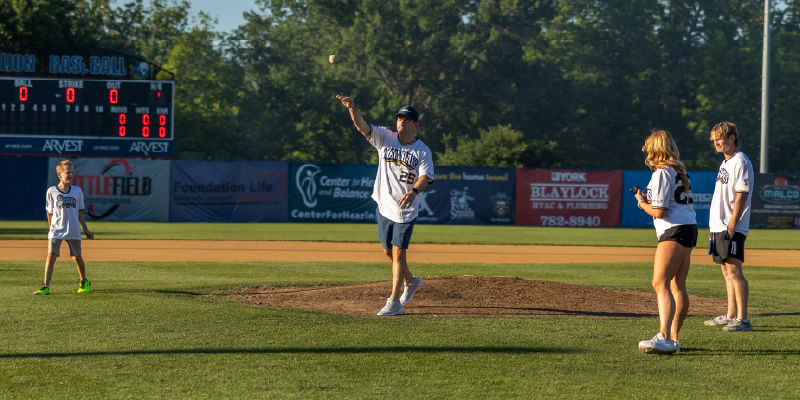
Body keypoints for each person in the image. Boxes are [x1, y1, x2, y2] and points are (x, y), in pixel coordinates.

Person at [336, 95, 434, 316]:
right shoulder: (385, 137)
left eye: (407, 119)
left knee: (399, 254)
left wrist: (414, 191)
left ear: (415, 125)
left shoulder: (422, 150)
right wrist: (352, 109)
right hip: (384, 205)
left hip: (406, 210)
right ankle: (412, 282)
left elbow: (425, 177)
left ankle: (394, 302)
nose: (402, 122)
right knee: (388, 251)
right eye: (399, 118)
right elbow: (362, 127)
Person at [633, 130, 697, 354]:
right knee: (677, 285)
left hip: (673, 230)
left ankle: (664, 336)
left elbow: (659, 211)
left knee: (660, 282)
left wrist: (641, 203)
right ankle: (673, 338)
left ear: (656, 149)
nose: (647, 151)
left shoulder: (661, 173)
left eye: (649, 147)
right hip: (689, 228)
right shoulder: (680, 171)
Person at [704, 122, 754, 332]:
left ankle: (742, 319)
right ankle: (730, 315)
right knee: (726, 272)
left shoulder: (740, 161)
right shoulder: (725, 163)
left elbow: (741, 195)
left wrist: (732, 224)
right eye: (714, 139)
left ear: (732, 137)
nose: (716, 142)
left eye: (720, 137)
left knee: (735, 272)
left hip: (730, 226)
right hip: (719, 225)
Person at [34, 160, 94, 295]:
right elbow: (49, 212)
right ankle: (45, 286)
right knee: (51, 256)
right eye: (68, 172)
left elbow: (80, 211)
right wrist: (51, 229)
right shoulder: (51, 191)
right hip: (56, 230)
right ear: (59, 174)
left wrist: (85, 228)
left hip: (73, 229)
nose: (71, 174)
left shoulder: (77, 191)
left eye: (72, 172)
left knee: (77, 257)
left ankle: (84, 281)